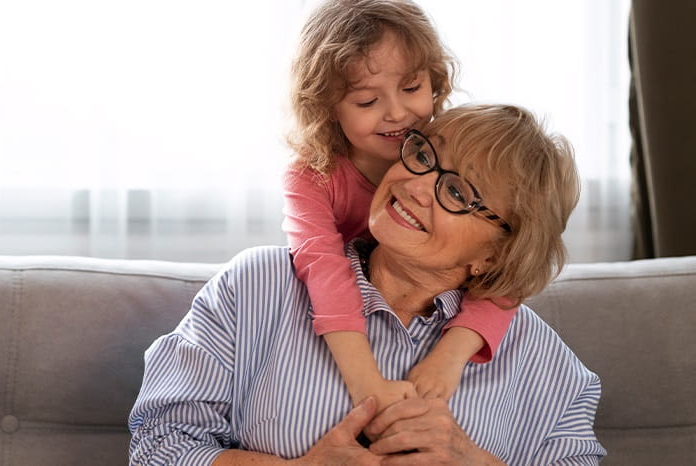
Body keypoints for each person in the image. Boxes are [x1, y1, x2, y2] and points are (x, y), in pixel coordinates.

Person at [129, 103, 607, 464]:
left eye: (458, 192)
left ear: (496, 253)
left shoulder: (544, 363)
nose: (417, 184)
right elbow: (157, 447)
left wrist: (471, 460)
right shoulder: (256, 288)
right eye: (424, 154)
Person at [282, 0, 516, 407]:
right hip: (357, 321)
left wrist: (451, 354)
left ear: (434, 79)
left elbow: (512, 259)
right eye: (367, 101)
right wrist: (366, 385)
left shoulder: (442, 148)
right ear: (325, 108)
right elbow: (323, 270)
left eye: (411, 88)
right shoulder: (312, 176)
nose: (397, 113)